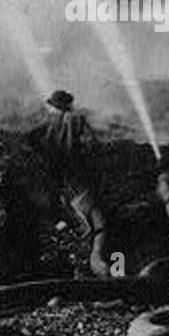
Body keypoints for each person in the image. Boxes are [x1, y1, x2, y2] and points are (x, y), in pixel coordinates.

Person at [26, 90, 109, 278]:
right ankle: (91, 257)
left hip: (56, 172)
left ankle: (77, 252)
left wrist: (44, 152)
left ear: (54, 105)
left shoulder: (49, 122)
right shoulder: (78, 119)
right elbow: (91, 142)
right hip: (78, 172)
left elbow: (30, 139)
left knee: (63, 209)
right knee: (90, 212)